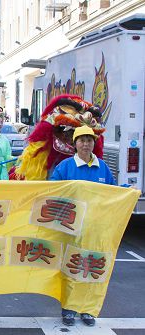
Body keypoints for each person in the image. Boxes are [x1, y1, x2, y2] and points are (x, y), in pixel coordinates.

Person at [50, 125, 115, 327]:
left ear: (94, 143)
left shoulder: (102, 167)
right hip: (72, 228)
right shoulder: (65, 167)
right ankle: (69, 308)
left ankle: (87, 309)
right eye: (82, 140)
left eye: (89, 140)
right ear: (74, 144)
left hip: (96, 228)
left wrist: (128, 192)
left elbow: (112, 192)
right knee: (71, 266)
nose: (86, 144)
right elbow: (53, 189)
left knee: (92, 267)